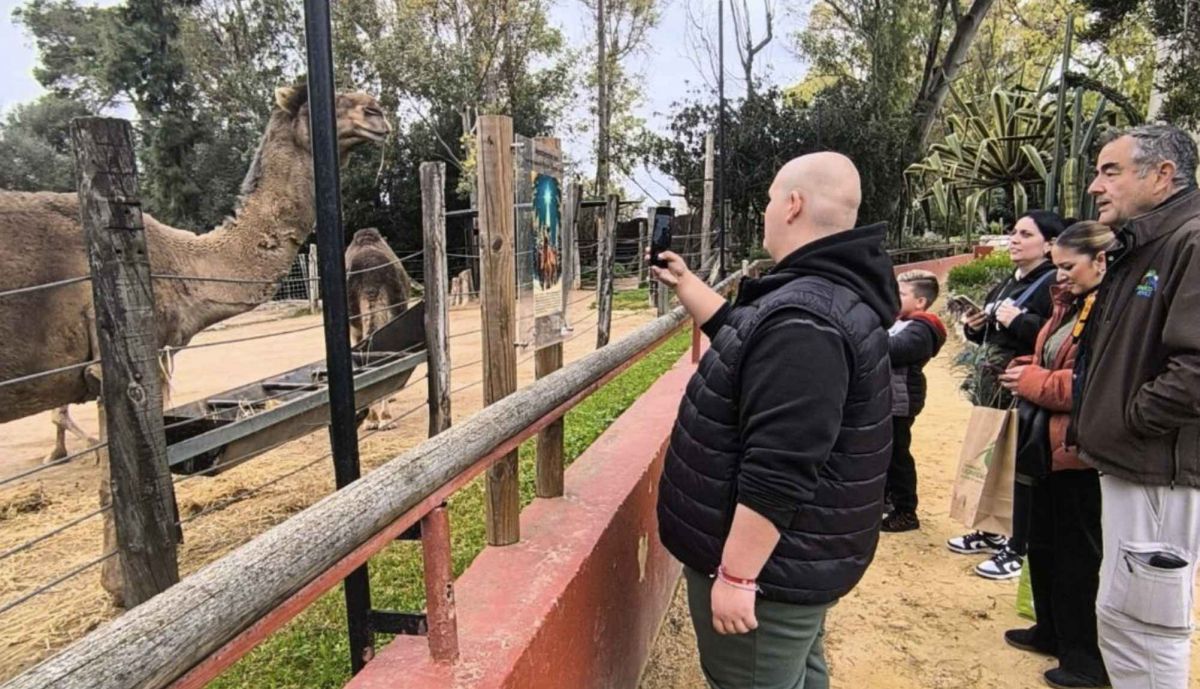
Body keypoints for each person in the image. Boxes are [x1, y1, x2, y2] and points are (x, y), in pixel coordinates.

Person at [653, 152, 898, 689]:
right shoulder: (821, 297)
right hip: (794, 562)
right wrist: (686, 283)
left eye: (768, 200)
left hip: (769, 575)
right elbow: (747, 339)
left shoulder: (806, 322)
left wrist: (738, 576)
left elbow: (781, 465)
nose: (765, 211)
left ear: (792, 205)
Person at [1073, 124, 1200, 689]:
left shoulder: (1190, 242)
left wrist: (1133, 421)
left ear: (1162, 175)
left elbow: (1194, 371)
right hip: (1134, 465)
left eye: (1111, 171)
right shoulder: (1145, 244)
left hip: (1158, 471)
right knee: (1124, 619)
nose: (1095, 186)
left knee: (1146, 631)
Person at [999, 221, 1113, 689]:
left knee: (1077, 557)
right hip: (1046, 447)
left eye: (1068, 267)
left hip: (1078, 455)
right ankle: (1049, 628)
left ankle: (1084, 656)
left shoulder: (1109, 311)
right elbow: (1052, 359)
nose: (1059, 276)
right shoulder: (1068, 304)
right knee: (1042, 543)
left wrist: (1032, 381)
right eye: (1057, 266)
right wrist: (1026, 365)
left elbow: (1093, 384)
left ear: (1100, 261)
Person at [949, 210, 1065, 580]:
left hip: (1025, 389)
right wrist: (974, 327)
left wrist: (1020, 321)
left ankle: (1018, 546)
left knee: (1020, 467)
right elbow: (991, 335)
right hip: (994, 386)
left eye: (1026, 234)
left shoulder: (1054, 284)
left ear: (1049, 245)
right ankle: (990, 530)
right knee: (992, 459)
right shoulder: (1006, 283)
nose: (1014, 239)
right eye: (1014, 232)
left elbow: (1055, 339)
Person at [881, 269, 947, 533]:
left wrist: (867, 333)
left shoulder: (923, 328)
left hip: (900, 401)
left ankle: (906, 511)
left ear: (920, 301)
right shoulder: (900, 322)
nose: (893, 297)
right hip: (888, 399)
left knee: (898, 456)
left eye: (901, 293)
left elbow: (893, 350)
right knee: (884, 453)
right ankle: (887, 499)